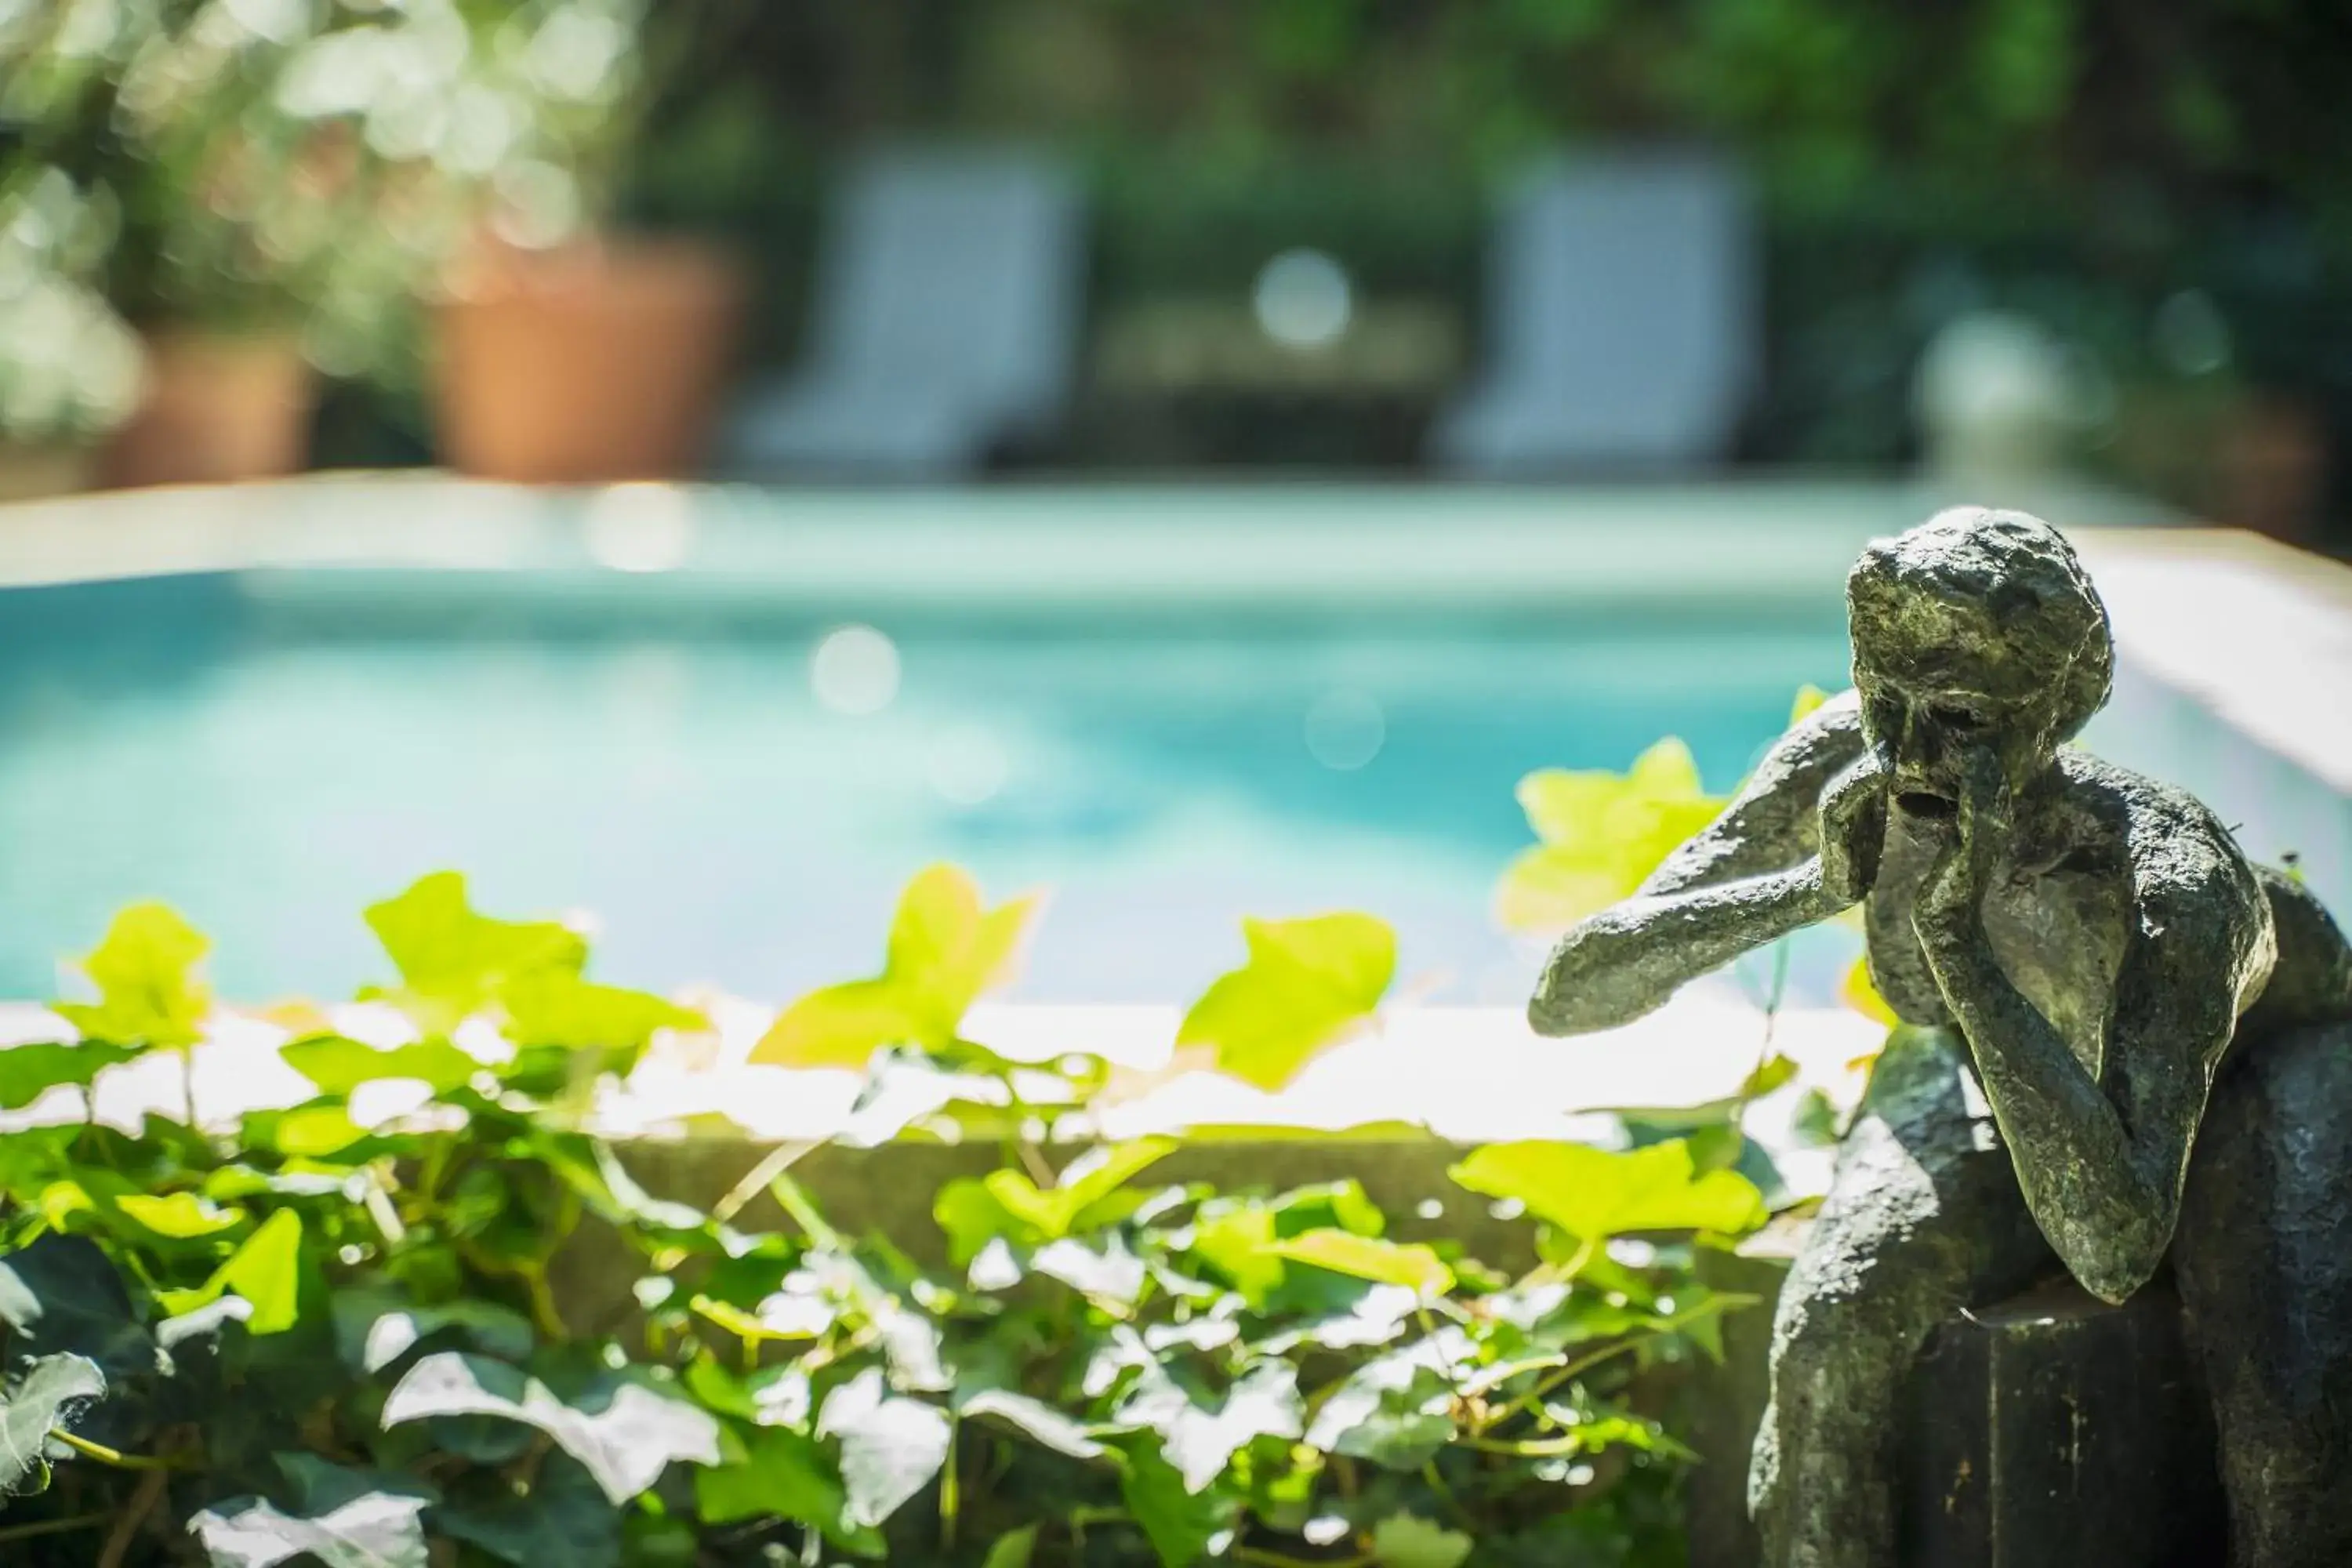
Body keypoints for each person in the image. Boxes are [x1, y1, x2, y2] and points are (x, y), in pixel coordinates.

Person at [1529, 508, 2352, 1566]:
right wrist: (1806, 888)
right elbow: (1568, 997)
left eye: (1961, 718)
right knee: (1828, 1335)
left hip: (2261, 1071)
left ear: (2058, 709)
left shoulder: (2169, 883)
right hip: (1985, 1063)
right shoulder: (1848, 760)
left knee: (2294, 1422)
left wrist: (1961, 953)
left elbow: (2112, 1248)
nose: (1913, 754)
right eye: (1889, 702)